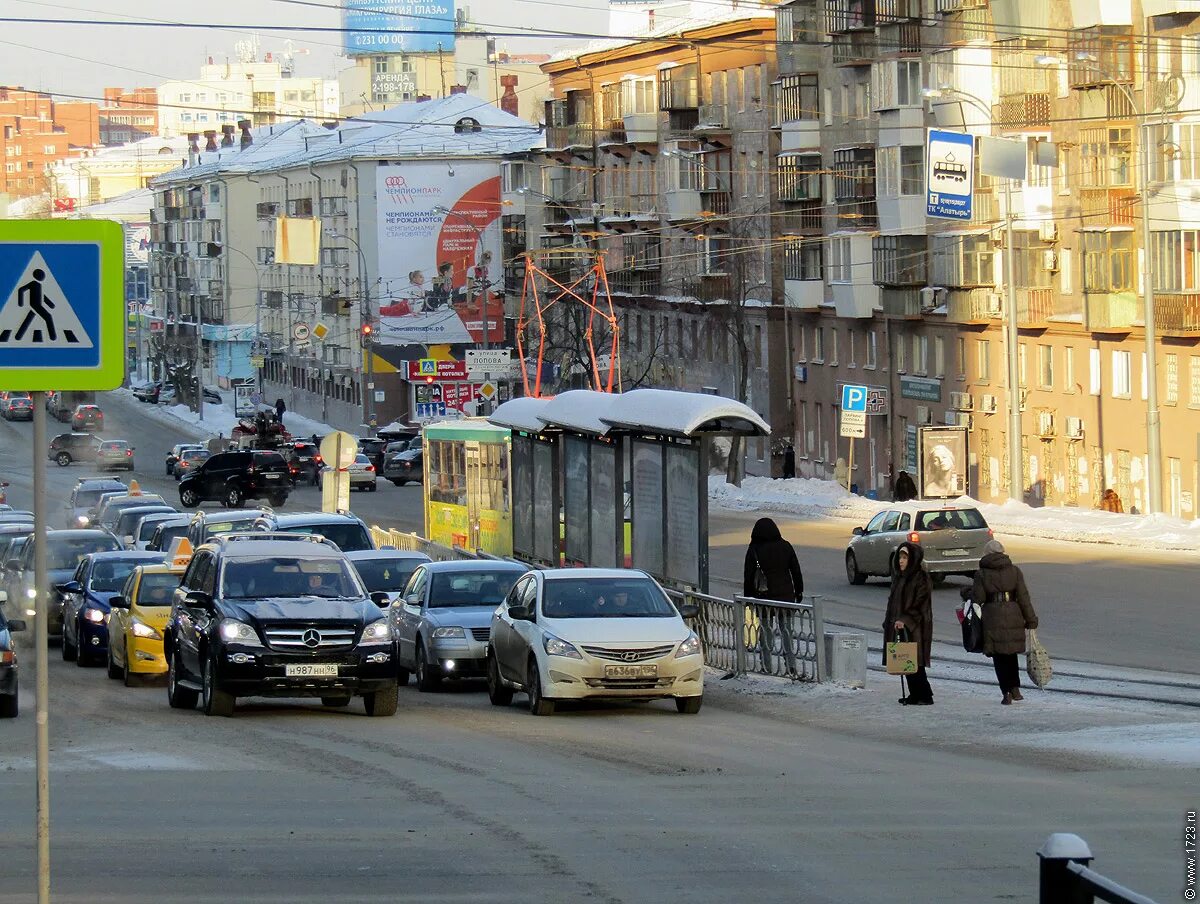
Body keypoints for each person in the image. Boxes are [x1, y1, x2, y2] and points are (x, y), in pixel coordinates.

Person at [969, 539, 1039, 705]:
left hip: (993, 616)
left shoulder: (982, 574)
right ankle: (1015, 689)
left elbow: (978, 598)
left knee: (999, 657)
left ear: (987, 554)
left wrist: (967, 593)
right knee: (1011, 654)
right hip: (1013, 613)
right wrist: (1030, 619)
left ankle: (1006, 692)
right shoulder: (1014, 571)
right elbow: (1024, 597)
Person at [743, 518, 804, 675]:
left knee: (766, 633)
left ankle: (767, 666)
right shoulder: (785, 546)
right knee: (787, 632)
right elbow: (796, 571)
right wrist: (799, 592)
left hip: (764, 598)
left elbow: (748, 576)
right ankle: (791, 666)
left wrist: (748, 599)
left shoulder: (754, 549)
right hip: (786, 598)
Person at [883, 541, 934, 705]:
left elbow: (920, 605)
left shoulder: (921, 578)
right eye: (900, 557)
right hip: (900, 625)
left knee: (915, 663)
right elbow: (893, 603)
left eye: (905, 557)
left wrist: (904, 620)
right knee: (906, 661)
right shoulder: (899, 578)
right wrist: (889, 621)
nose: (901, 561)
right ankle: (915, 694)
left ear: (912, 559)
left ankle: (925, 696)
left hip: (916, 626)